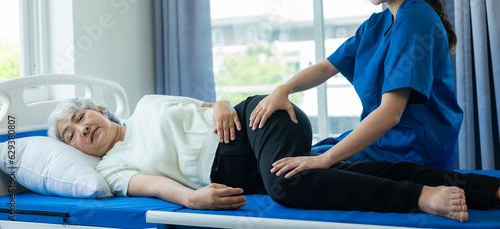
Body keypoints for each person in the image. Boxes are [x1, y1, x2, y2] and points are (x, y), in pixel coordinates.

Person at [48, 94, 500, 223]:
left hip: (258, 120)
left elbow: (209, 106)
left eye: (80, 117)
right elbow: (155, 188)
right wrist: (190, 200)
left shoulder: (147, 102)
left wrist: (222, 103)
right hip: (242, 168)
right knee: (351, 171)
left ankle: (421, 197)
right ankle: (484, 189)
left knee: (288, 186)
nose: (81, 129)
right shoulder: (109, 168)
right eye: (71, 136)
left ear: (99, 110)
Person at [250, 0, 463, 172]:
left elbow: (391, 113)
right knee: (286, 163)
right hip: (383, 144)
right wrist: (282, 90)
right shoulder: (377, 24)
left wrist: (325, 159)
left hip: (410, 152)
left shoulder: (415, 21)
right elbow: (326, 67)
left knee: (299, 172)